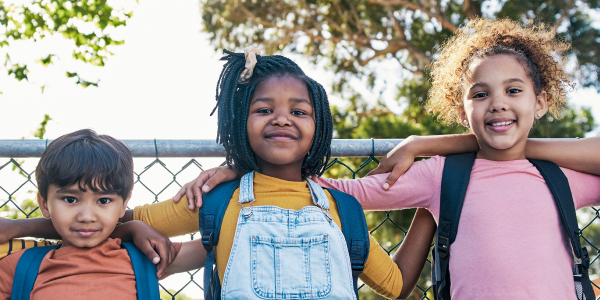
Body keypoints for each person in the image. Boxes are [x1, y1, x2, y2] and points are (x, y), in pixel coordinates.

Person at [175, 19, 600, 299]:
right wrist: (244, 167)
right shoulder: (440, 175)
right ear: (460, 110)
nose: (498, 105)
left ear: (540, 102)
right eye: (480, 94)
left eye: (513, 91)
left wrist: (433, 140)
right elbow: (330, 191)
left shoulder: (561, 177)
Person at [0, 129, 177, 300]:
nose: (87, 217)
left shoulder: (144, 254)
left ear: (124, 204)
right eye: (70, 199)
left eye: (104, 200)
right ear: (44, 203)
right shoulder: (19, 265)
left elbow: (203, 246)